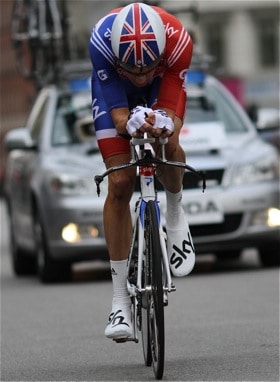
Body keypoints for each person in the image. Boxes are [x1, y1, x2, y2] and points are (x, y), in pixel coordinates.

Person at [89, 2, 194, 340]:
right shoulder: (101, 43)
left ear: (160, 52)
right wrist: (128, 121)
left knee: (170, 143)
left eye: (147, 69)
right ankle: (120, 300)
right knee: (119, 182)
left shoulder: (178, 41)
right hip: (116, 95)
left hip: (163, 89)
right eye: (132, 70)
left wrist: (161, 122)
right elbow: (119, 119)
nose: (140, 76)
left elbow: (171, 115)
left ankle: (175, 216)